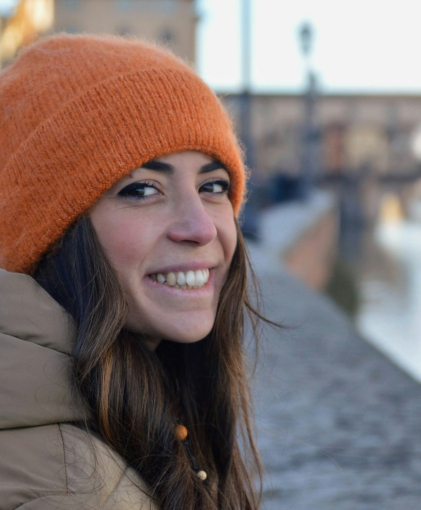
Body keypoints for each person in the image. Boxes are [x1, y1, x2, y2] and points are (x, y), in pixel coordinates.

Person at [0, 34, 263, 509]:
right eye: (141, 190)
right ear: (51, 234)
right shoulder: (67, 486)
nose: (200, 227)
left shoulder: (128, 404)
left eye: (214, 185)